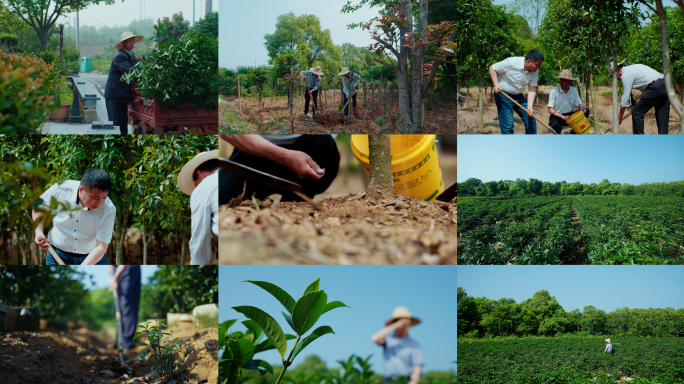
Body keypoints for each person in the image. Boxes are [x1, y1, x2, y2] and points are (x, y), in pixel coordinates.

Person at [218, 135, 339, 204]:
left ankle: (299, 198)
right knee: (220, 199)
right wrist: (284, 156)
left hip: (310, 151)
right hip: (254, 151)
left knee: (322, 142)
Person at [32, 168, 116, 265]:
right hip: (56, 254)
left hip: (90, 258)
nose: (99, 202)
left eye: (104, 198)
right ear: (81, 189)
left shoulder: (109, 209)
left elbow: (101, 247)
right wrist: (38, 231)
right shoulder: (60, 189)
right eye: (95, 197)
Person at [178, 150, 219, 265]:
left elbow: (200, 238)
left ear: (200, 173)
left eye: (196, 184)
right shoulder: (236, 173)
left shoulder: (203, 188)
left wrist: (200, 264)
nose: (197, 187)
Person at [489, 50, 544, 134]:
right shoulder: (512, 62)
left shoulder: (534, 71)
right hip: (503, 95)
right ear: (528, 61)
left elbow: (532, 89)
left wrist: (530, 107)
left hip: (519, 96)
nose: (538, 68)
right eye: (537, 65)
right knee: (508, 124)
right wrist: (496, 85)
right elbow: (492, 68)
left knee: (531, 117)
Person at [610, 60, 669, 134]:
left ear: (618, 70)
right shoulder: (632, 69)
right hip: (665, 85)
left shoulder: (625, 74)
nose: (616, 79)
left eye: (613, 76)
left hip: (655, 87)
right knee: (662, 117)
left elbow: (625, 99)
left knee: (637, 112)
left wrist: (620, 117)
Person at [371, 307, 424, 384]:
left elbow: (417, 368)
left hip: (407, 380)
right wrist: (397, 324)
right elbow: (375, 338)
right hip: (390, 380)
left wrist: (413, 382)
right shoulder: (388, 340)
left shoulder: (414, 345)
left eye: (406, 324)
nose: (404, 327)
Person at [105, 31, 143, 135]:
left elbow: (138, 67)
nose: (132, 43)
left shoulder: (131, 55)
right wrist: (144, 72)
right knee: (115, 123)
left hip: (123, 95)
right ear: (123, 44)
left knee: (123, 123)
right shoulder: (119, 56)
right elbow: (130, 72)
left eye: (133, 41)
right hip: (114, 95)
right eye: (129, 41)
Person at [109, 265, 141, 352]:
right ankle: (120, 340)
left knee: (127, 306)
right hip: (118, 269)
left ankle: (128, 342)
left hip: (129, 270)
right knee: (119, 308)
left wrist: (115, 278)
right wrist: (111, 267)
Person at [547, 69, 588, 134]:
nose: (567, 83)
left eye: (569, 81)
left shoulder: (573, 90)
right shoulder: (554, 91)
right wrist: (562, 117)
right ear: (561, 80)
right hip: (558, 116)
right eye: (565, 81)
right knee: (555, 126)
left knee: (587, 111)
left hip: (570, 116)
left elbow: (579, 103)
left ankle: (572, 134)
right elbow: (550, 109)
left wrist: (582, 107)